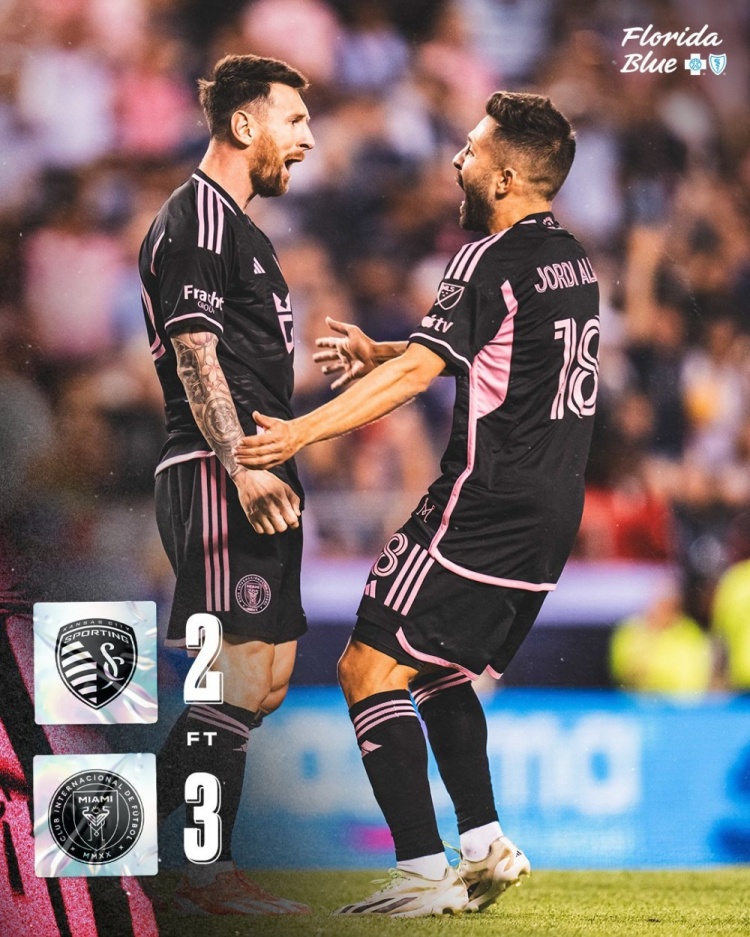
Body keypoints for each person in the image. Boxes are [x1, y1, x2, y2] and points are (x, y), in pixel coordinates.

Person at [236, 91, 599, 916]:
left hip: (483, 500)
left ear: (504, 177)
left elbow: (419, 377)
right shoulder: (571, 259)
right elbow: (500, 351)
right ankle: (484, 843)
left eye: (471, 150)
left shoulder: (485, 257)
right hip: (550, 514)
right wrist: (389, 348)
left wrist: (299, 432)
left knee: (365, 666)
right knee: (436, 670)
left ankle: (421, 872)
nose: (457, 160)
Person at [138, 54, 314, 916]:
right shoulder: (197, 218)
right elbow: (194, 354)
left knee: (265, 679)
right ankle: (203, 876)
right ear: (245, 125)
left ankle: (98, 828)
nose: (308, 140)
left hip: (257, 467)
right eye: (295, 120)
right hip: (218, 469)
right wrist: (241, 464)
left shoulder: (242, 229)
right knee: (232, 677)